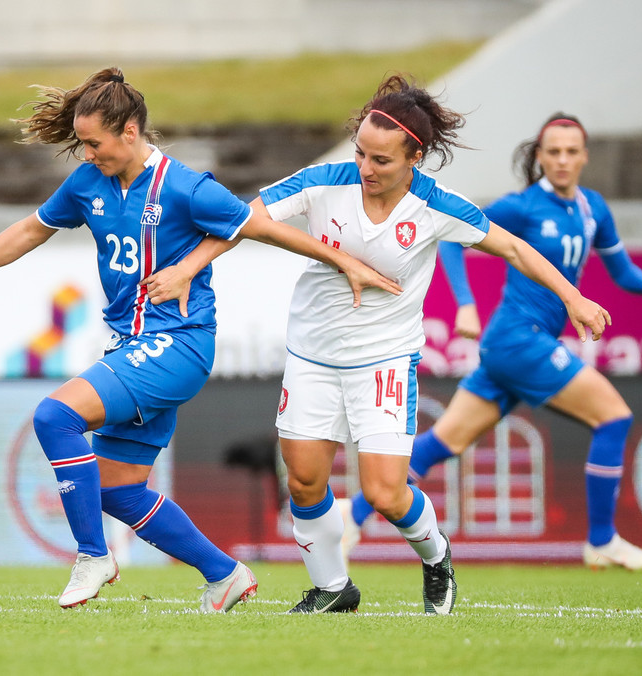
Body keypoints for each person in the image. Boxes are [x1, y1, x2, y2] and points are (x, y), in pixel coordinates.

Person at [0, 67, 402, 612]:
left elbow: (259, 226)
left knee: (55, 417)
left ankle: (93, 555)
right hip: (130, 347)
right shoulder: (87, 184)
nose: (87, 155)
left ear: (130, 132)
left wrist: (343, 261)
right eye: (82, 144)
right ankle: (224, 574)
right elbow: (32, 229)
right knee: (117, 490)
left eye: (94, 144)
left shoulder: (185, 187)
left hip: (179, 344)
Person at [145, 78, 611, 615]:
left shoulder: (436, 205)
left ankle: (436, 556)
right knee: (304, 481)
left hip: (384, 359)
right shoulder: (324, 181)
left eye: (382, 160)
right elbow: (245, 220)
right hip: (312, 354)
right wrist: (186, 268)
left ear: (415, 157)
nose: (366, 168)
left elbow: (515, 249)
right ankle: (332, 587)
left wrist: (573, 297)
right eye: (361, 153)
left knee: (386, 493)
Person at [338, 113, 642, 571]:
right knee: (614, 417)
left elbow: (620, 269)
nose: (562, 159)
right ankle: (602, 540)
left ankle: (351, 516)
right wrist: (465, 303)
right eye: (553, 151)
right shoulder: (522, 206)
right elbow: (453, 238)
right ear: (540, 157)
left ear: (584, 156)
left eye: (571, 151)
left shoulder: (593, 208)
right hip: (520, 340)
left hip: (510, 349)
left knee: (443, 441)